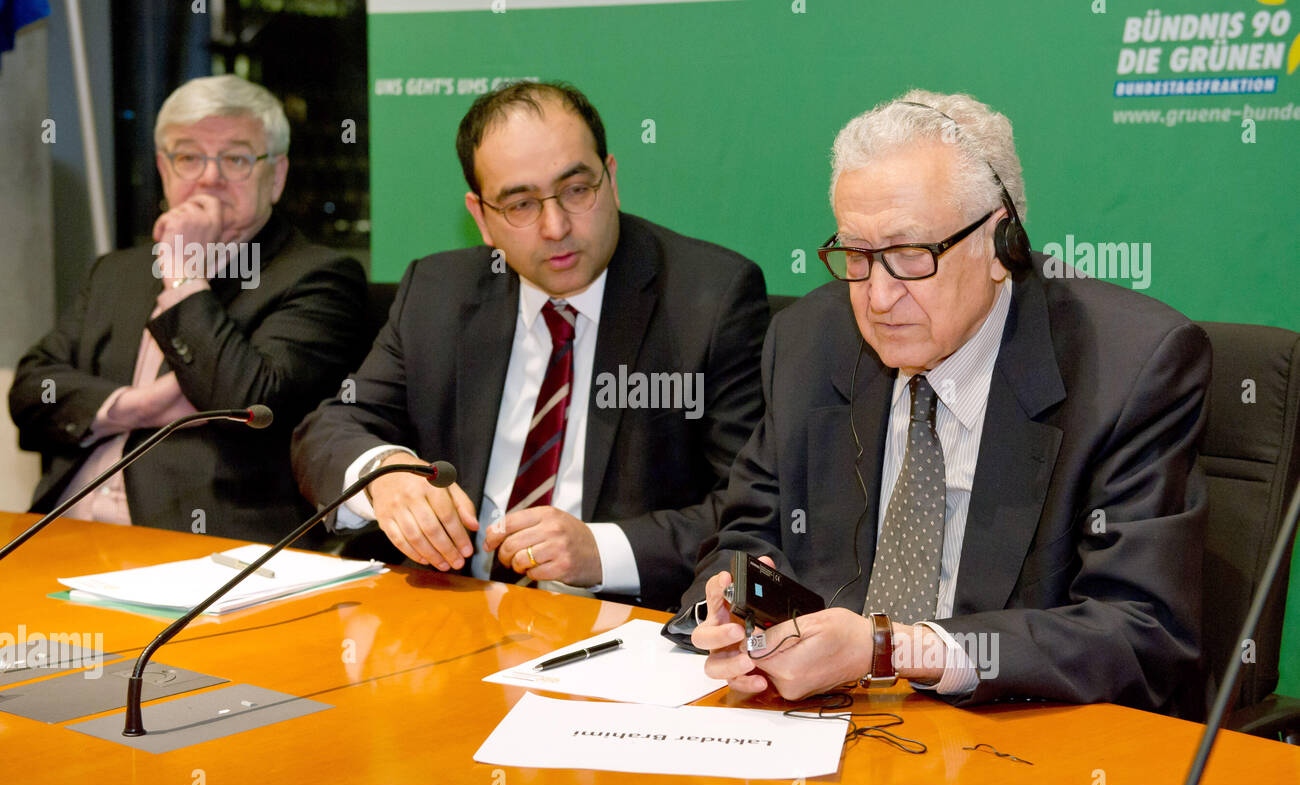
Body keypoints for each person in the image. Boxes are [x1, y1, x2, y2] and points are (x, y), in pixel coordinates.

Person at [684, 90, 1209, 716]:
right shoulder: (808, 342)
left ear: (1000, 244)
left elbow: (1142, 634)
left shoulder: (1132, 367)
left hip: (1019, 739)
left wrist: (893, 649)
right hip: (824, 726)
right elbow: (749, 530)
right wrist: (737, 602)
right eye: (856, 256)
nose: (878, 297)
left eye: (910, 256)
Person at [291, 82, 767, 611]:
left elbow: (753, 505)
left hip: (614, 630)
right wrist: (386, 475)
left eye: (577, 190)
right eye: (520, 204)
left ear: (611, 178)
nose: (556, 226)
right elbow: (331, 426)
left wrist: (601, 550)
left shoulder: (709, 299)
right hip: (451, 612)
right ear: (481, 217)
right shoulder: (438, 291)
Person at [9, 75, 369, 544]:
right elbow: (33, 391)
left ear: (276, 176)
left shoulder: (317, 276)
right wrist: (134, 406)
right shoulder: (115, 272)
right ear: (164, 170)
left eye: (236, 158)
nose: (209, 176)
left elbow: (252, 404)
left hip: (196, 545)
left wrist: (181, 275)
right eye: (188, 157)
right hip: (58, 527)